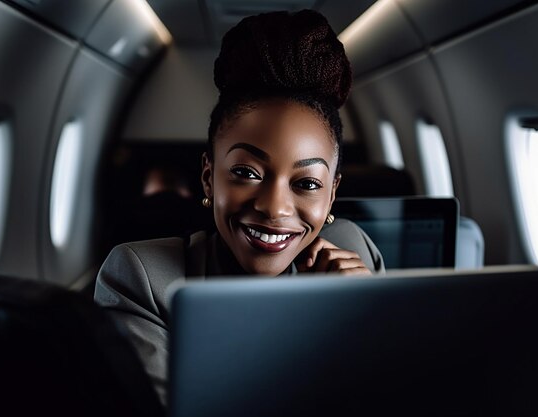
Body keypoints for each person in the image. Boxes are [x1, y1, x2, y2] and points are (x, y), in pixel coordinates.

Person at [95, 9, 385, 406]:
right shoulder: (143, 278)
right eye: (247, 172)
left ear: (332, 195)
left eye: (307, 184)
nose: (274, 207)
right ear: (208, 177)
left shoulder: (356, 249)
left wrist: (373, 324)